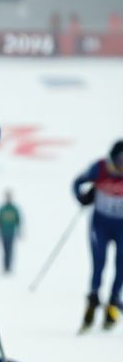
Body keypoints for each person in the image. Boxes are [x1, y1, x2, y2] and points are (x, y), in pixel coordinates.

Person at [74, 140, 123, 331]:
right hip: (100, 224)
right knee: (99, 263)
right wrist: (83, 197)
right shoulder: (100, 168)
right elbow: (77, 183)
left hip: (121, 226)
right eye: (120, 160)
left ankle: (113, 301)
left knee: (120, 264)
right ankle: (93, 299)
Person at [0, 190, 22, 274]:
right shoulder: (2, 209)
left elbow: (18, 220)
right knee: (4, 251)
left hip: (11, 233)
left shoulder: (14, 209)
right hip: (3, 233)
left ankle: (9, 267)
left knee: (10, 250)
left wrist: (19, 231)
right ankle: (5, 267)